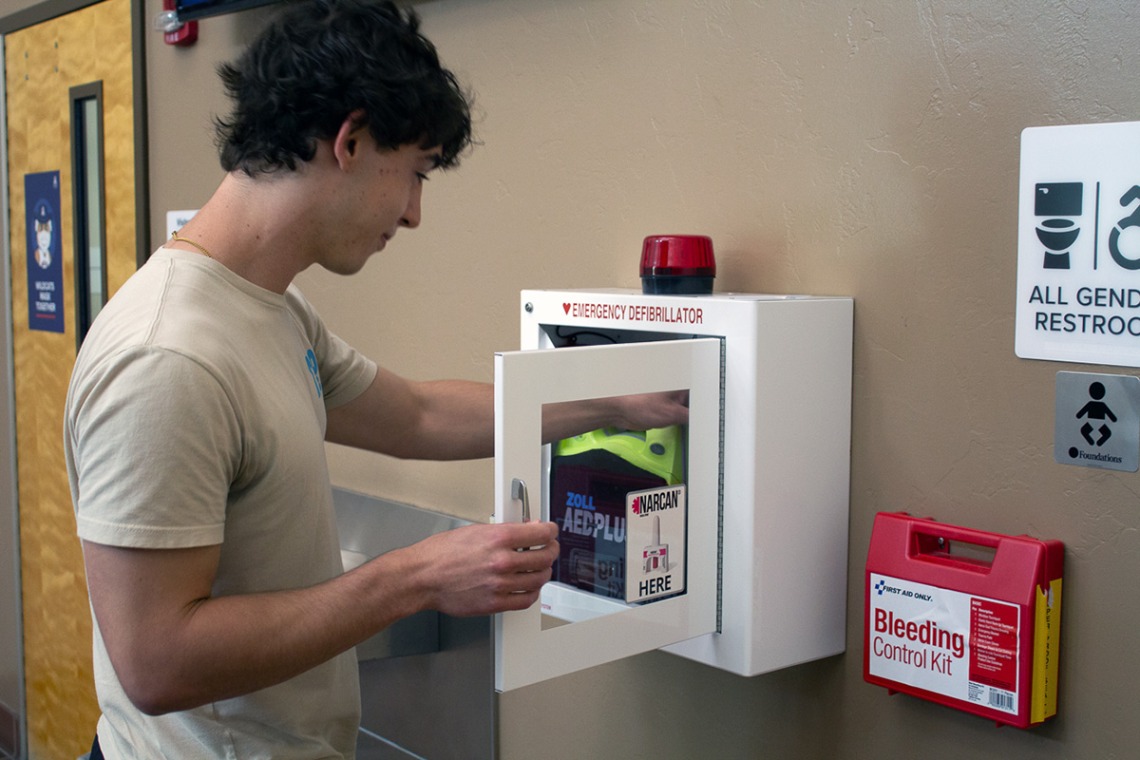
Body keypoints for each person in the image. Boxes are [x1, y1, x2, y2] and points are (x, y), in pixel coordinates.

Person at [63, 1, 688, 757]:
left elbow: (417, 415)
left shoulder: (270, 309)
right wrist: (415, 578)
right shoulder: (168, 359)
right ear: (350, 140)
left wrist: (612, 402)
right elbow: (157, 662)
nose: (415, 214)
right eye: (416, 174)